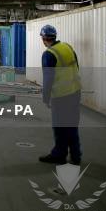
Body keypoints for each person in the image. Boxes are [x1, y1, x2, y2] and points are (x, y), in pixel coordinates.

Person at [38, 24, 82, 165]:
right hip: (75, 92)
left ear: (44, 38)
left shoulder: (49, 54)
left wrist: (45, 97)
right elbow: (76, 66)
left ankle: (59, 154)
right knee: (72, 125)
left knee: (60, 127)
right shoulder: (67, 47)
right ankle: (76, 156)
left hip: (61, 96)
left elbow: (48, 78)